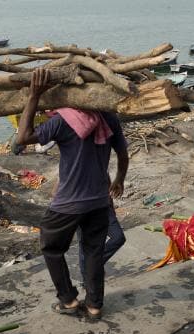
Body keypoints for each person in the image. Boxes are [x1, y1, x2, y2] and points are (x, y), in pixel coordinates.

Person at [16, 68, 129, 320]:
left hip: (69, 202)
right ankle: (94, 306)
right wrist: (119, 179)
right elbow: (123, 154)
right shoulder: (108, 118)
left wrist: (34, 95)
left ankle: (68, 299)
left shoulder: (63, 120)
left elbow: (22, 137)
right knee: (93, 252)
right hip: (99, 201)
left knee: (50, 246)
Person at [77, 202, 126, 287]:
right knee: (85, 248)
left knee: (118, 237)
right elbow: (56, 193)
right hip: (81, 209)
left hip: (103, 206)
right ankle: (88, 280)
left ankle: (94, 264)